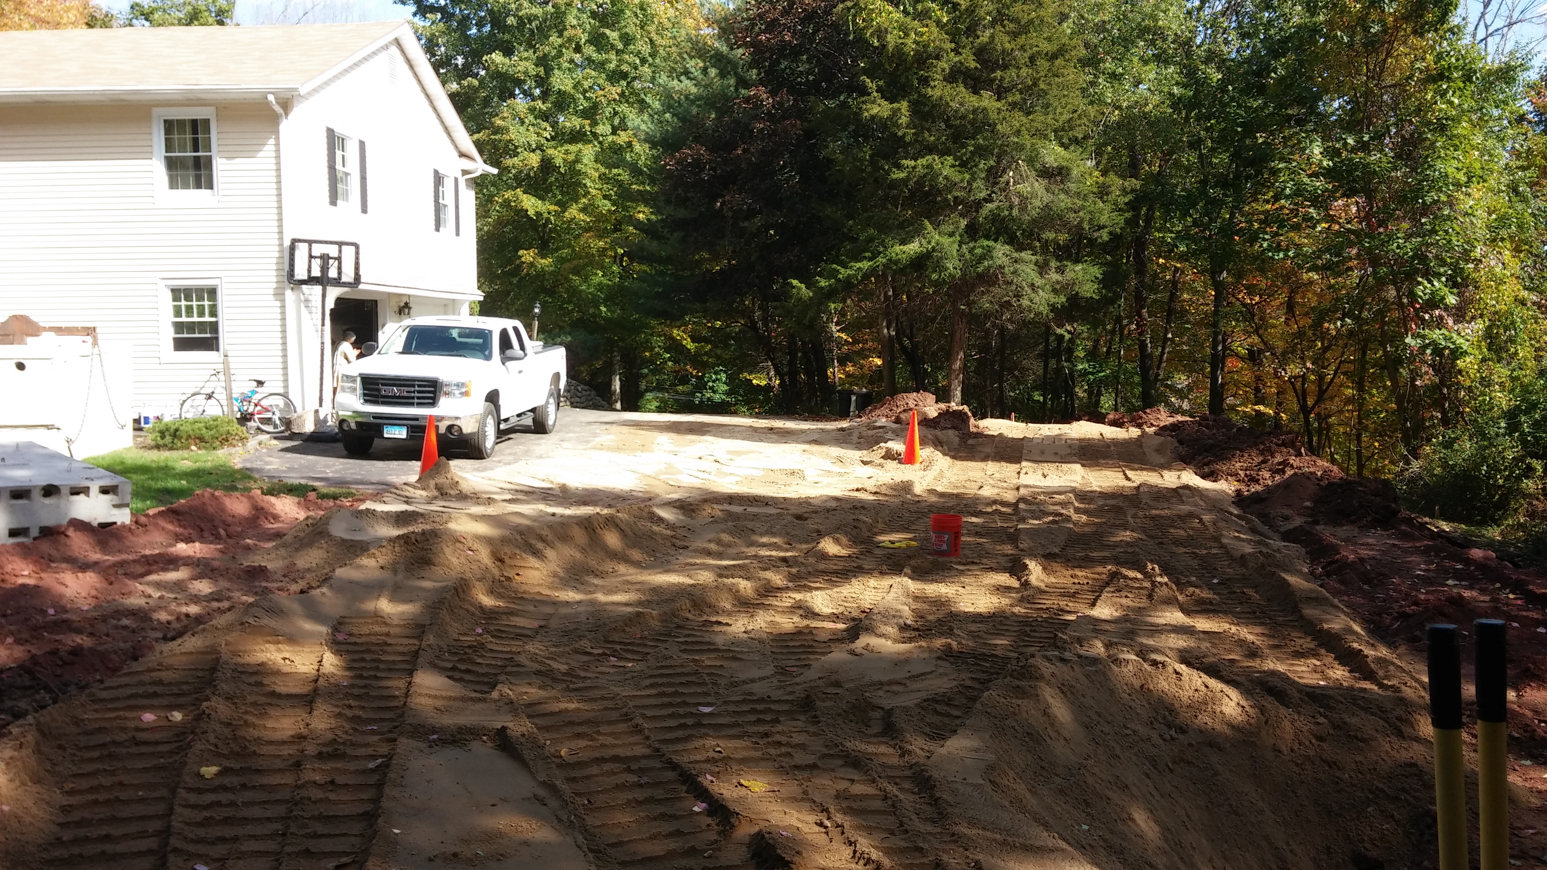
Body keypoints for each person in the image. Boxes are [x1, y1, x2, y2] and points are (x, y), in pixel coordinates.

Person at [332, 329, 359, 407]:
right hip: (342, 368)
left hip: (335, 367)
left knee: (335, 388)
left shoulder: (338, 343)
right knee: (340, 388)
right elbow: (352, 359)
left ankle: (333, 404)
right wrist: (355, 353)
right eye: (352, 340)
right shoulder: (346, 345)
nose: (353, 341)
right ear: (349, 339)